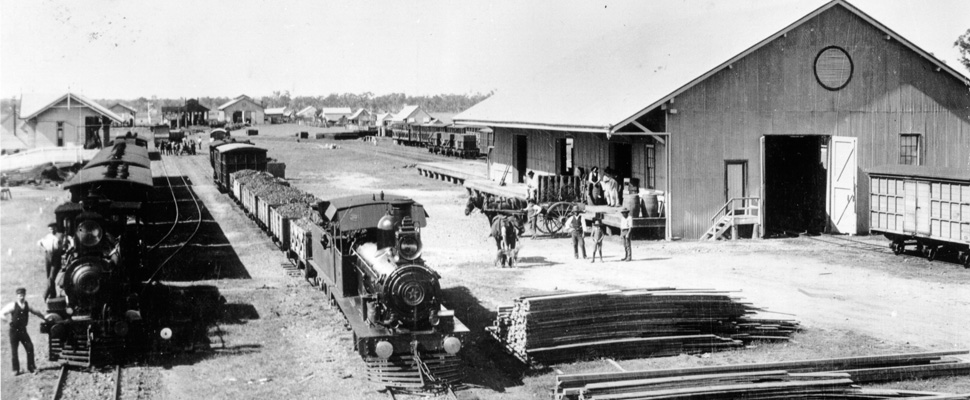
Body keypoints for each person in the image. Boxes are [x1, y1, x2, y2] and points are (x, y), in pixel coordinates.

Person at [1, 288, 45, 375]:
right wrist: (7, 321)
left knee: (30, 347)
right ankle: (15, 370)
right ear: (17, 296)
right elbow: (1, 313)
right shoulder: (13, 305)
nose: (21, 296)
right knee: (14, 350)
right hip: (14, 331)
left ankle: (31, 368)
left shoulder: (27, 305)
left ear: (25, 295)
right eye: (19, 295)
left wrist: (45, 318)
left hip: (23, 331)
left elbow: (37, 312)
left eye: (22, 294)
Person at [38, 223, 65, 299]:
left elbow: (66, 243)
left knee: (52, 277)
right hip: (48, 256)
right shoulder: (47, 236)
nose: (52, 230)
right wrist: (44, 249)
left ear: (56, 228)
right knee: (48, 277)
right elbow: (39, 243)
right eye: (50, 229)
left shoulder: (60, 235)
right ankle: (53, 294)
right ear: (48, 230)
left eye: (53, 228)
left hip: (56, 256)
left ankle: (45, 295)